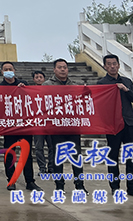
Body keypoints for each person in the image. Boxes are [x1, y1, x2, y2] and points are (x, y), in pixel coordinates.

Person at [97, 53, 133, 196]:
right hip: (112, 125)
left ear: (118, 65)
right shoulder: (101, 84)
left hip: (129, 123)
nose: (112, 66)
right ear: (104, 66)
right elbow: (98, 105)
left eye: (114, 63)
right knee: (113, 157)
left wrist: (126, 90)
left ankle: (132, 187)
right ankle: (115, 187)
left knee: (131, 157)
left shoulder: (127, 81)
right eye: (109, 64)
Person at [43, 58, 88, 194]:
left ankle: (79, 185)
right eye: (60, 67)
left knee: (76, 156)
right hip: (56, 126)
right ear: (54, 70)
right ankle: (59, 185)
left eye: (65, 67)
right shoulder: (46, 85)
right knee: (58, 157)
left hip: (73, 125)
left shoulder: (75, 85)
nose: (63, 69)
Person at [0, 62, 42, 191]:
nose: (8, 71)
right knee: (9, 154)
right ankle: (11, 180)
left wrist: (24, 89)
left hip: (24, 125)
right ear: (1, 72)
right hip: (9, 126)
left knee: (26, 154)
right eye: (5, 69)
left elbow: (32, 100)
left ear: (14, 71)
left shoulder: (23, 85)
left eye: (10, 69)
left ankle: (30, 181)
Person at [31, 70, 52, 175]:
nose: (39, 79)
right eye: (36, 77)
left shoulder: (50, 90)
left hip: (50, 122)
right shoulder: (30, 91)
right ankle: (42, 168)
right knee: (39, 147)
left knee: (52, 147)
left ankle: (51, 167)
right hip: (38, 124)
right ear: (34, 80)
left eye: (41, 77)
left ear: (44, 79)